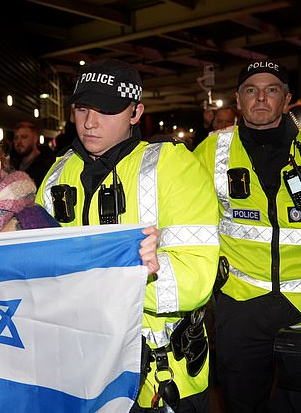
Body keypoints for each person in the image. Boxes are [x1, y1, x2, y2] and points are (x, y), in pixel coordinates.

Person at [35, 58, 220, 412]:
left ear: (136, 113)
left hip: (159, 374)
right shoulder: (57, 174)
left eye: (106, 110)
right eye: (82, 108)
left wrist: (116, 273)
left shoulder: (173, 166)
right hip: (80, 368)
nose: (89, 122)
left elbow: (194, 281)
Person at [194, 60, 301, 412]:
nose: (260, 97)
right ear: (237, 101)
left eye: (271, 90)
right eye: (250, 90)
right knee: (242, 401)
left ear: (286, 99)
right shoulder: (211, 152)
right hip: (242, 303)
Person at [10, 121, 55, 187]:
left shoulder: (47, 166)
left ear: (35, 139)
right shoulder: (11, 164)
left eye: (24, 137)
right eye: (16, 138)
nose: (19, 141)